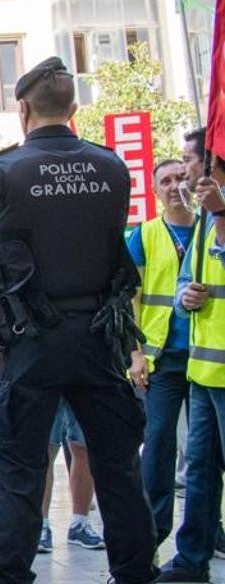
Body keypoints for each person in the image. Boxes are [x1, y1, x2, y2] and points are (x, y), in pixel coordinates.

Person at [0, 57, 156, 584]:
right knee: (119, 475)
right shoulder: (113, 168)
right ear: (74, 110)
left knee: (22, 477)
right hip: (101, 339)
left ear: (23, 109)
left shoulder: (1, 171)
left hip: (33, 341)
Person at [159, 130, 225, 584]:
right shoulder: (204, 218)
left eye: (189, 159)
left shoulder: (217, 214)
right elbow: (185, 280)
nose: (184, 169)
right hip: (202, 366)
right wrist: (186, 296)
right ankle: (192, 555)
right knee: (199, 465)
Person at [128, 159, 195, 548]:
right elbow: (131, 299)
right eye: (166, 181)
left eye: (181, 178)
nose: (175, 186)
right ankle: (152, 531)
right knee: (158, 443)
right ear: (155, 191)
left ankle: (207, 528)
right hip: (163, 357)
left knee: (205, 451)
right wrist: (136, 354)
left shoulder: (210, 229)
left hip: (207, 357)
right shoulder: (146, 235)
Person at [39, 401, 105, 552]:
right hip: (48, 382)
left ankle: (79, 524)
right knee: (46, 449)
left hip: (84, 381)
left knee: (84, 446)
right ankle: (41, 525)